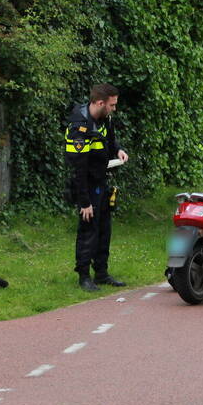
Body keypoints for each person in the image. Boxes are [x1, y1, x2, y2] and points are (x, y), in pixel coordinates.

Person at [65, 83, 129, 292]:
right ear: (100, 103)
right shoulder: (79, 127)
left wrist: (118, 150)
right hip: (86, 184)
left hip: (101, 181)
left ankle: (101, 273)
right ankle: (84, 276)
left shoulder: (104, 118)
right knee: (88, 230)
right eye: (112, 105)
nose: (114, 109)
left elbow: (110, 141)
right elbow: (79, 169)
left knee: (104, 229)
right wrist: (84, 202)